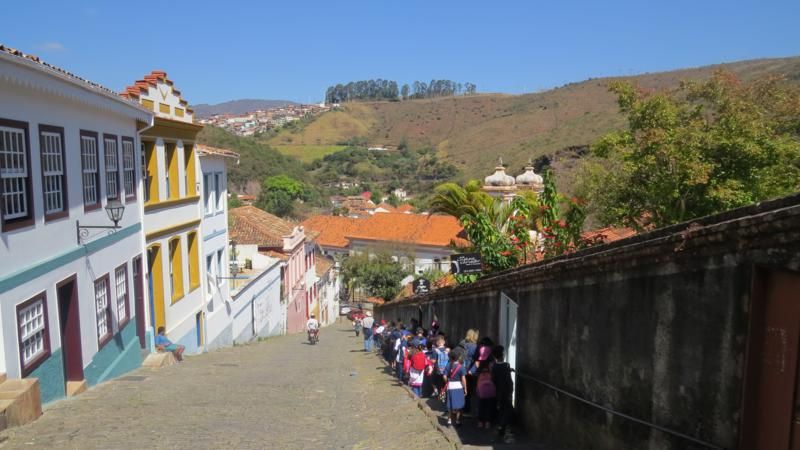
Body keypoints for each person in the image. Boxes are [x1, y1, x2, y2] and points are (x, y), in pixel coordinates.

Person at [492, 345, 515, 438]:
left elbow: (495, 378)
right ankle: (502, 426)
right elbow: (508, 380)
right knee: (508, 409)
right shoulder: (506, 365)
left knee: (501, 408)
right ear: (502, 355)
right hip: (506, 390)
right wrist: (511, 389)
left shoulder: (494, 367)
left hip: (498, 391)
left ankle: (502, 425)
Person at [444, 350, 468, 426]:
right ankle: (458, 421)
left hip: (450, 386)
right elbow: (463, 379)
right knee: (459, 404)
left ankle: (449, 420)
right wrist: (465, 388)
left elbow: (444, 376)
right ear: (459, 357)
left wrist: (447, 382)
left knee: (450, 404)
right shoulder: (461, 367)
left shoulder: (448, 365)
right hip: (458, 387)